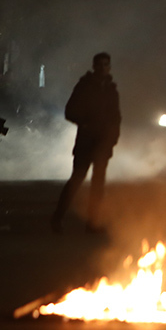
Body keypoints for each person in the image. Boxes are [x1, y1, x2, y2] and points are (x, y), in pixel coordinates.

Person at [51, 52, 121, 235]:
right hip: (86, 141)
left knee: (98, 184)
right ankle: (57, 218)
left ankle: (92, 222)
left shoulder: (111, 89)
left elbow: (116, 117)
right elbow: (69, 111)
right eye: (100, 65)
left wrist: (112, 139)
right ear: (94, 66)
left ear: (109, 67)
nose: (103, 68)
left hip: (103, 143)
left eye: (106, 65)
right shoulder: (84, 86)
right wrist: (86, 122)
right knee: (77, 179)